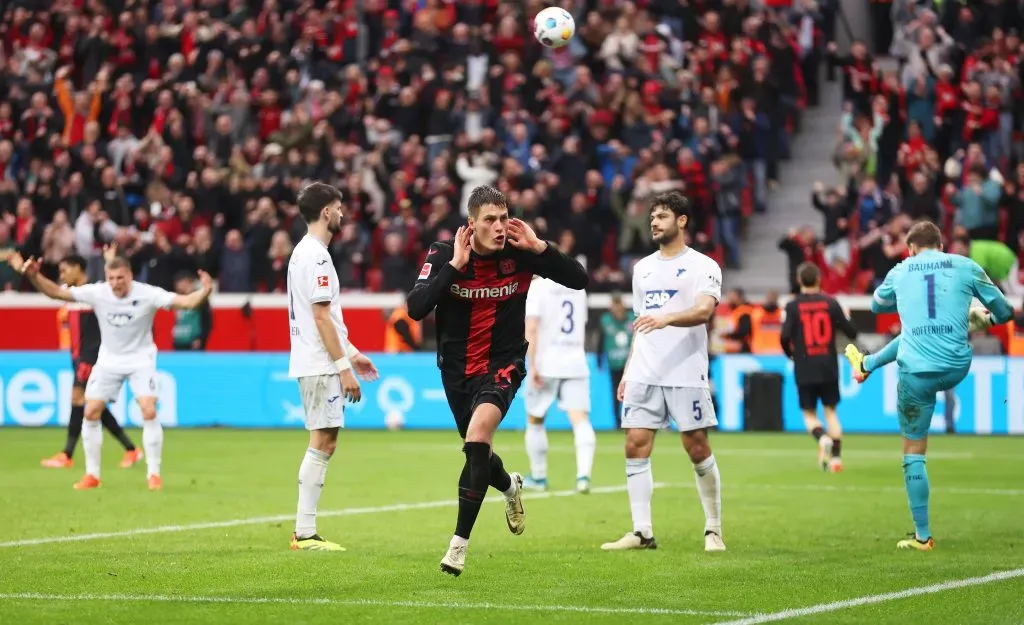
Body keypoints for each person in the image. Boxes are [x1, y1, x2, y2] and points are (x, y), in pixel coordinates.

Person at [406, 184, 588, 576]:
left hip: (503, 364)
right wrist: (454, 267)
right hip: (456, 370)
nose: (500, 226)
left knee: (478, 436)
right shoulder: (444, 253)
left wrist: (541, 248)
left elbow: (579, 279)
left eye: (504, 218)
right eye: (490, 219)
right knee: (478, 453)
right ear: (471, 224)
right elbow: (416, 308)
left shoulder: (521, 253)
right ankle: (509, 487)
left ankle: (458, 546)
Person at [845, 221, 1012, 551]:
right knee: (917, 333)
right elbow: (1005, 312)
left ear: (910, 249)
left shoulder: (901, 269)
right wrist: (984, 318)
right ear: (941, 245)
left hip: (917, 374)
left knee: (913, 453)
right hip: (957, 365)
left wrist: (905, 291)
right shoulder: (965, 265)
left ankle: (923, 536)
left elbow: (876, 305)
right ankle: (867, 363)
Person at [17, 250, 214, 491]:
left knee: (148, 409)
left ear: (130, 275)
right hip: (109, 360)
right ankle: (92, 475)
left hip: (140, 359)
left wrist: (205, 290)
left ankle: (153, 474)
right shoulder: (98, 292)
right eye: (111, 278)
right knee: (91, 411)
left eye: (120, 278)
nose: (115, 283)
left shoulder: (148, 294)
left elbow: (187, 302)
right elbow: (57, 292)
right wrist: (34, 276)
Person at [601, 191, 725, 553]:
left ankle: (713, 529)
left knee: (696, 446)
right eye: (652, 217)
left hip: (685, 371)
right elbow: (642, 324)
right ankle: (642, 532)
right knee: (634, 444)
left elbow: (704, 311)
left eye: (662, 216)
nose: (654, 222)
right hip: (645, 371)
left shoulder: (704, 265)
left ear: (681, 221)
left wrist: (667, 317)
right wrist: (628, 370)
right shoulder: (642, 268)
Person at [286, 182, 379, 552]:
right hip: (321, 363)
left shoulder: (303, 252)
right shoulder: (318, 257)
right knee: (323, 441)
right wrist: (343, 368)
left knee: (324, 441)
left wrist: (352, 353)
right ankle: (305, 532)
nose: (342, 214)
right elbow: (321, 317)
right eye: (339, 208)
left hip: (315, 359)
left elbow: (323, 319)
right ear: (326, 212)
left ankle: (304, 531)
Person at [6, 252, 143, 470]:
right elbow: (50, 289)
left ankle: (67, 454)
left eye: (65, 270)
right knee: (93, 405)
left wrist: (110, 261)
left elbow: (116, 290)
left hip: (91, 356)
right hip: (78, 356)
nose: (62, 275)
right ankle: (131, 449)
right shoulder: (72, 293)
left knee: (78, 399)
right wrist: (26, 271)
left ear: (79, 268)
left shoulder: (94, 293)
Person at [521, 249, 596, 493]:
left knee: (535, 418)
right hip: (575, 360)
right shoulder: (578, 288)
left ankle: (539, 477)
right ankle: (583, 477)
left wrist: (532, 364)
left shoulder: (538, 287)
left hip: (547, 362)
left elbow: (532, 328)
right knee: (580, 419)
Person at [780, 262, 858, 473]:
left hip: (805, 365)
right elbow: (852, 332)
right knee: (831, 412)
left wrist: (791, 355)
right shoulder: (831, 303)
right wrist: (846, 316)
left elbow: (784, 337)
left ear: (799, 280)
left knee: (809, 414)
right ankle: (836, 460)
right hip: (828, 364)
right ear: (818, 279)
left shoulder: (793, 306)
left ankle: (822, 438)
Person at [597, 293, 635, 429]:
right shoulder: (606, 320)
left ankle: (632, 419)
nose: (617, 309)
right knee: (615, 391)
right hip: (614, 362)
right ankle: (617, 422)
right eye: (614, 305)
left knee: (632, 392)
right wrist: (599, 360)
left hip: (630, 363)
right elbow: (600, 340)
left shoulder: (632, 318)